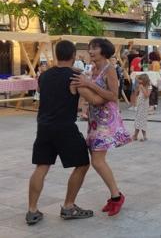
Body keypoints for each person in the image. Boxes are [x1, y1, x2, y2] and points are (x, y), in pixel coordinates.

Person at [26, 40, 94, 225]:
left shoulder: (44, 76)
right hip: (64, 127)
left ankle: (32, 210)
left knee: (41, 167)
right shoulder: (75, 76)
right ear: (73, 56)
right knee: (82, 164)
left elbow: (42, 92)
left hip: (44, 126)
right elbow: (91, 98)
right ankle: (68, 206)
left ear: (57, 55)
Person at [70, 38, 132, 217]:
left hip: (107, 119)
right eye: (90, 48)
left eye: (95, 48)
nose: (91, 51)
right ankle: (115, 196)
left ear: (104, 51)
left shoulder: (109, 69)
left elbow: (114, 95)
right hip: (95, 119)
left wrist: (88, 84)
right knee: (97, 160)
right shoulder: (93, 69)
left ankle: (116, 196)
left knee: (97, 161)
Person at [132, 74, 151, 141]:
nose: (139, 81)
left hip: (144, 106)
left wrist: (142, 88)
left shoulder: (149, 86)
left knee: (142, 119)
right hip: (139, 105)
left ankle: (144, 136)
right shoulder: (140, 85)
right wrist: (137, 88)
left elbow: (146, 95)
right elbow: (137, 94)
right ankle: (135, 135)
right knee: (137, 119)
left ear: (144, 80)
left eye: (140, 80)